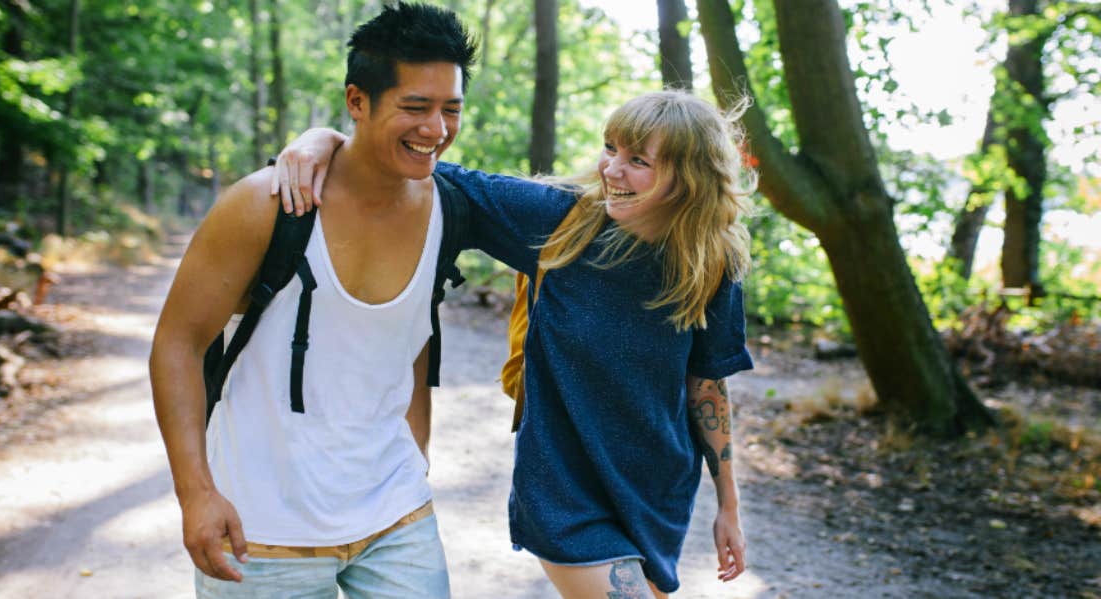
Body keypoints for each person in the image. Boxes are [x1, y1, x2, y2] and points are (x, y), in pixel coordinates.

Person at [274, 90, 754, 597]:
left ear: (690, 177)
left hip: (657, 494)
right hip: (565, 494)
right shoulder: (560, 223)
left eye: (638, 160)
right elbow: (434, 174)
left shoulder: (712, 261)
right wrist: (326, 140)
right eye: (610, 148)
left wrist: (728, 506)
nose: (612, 169)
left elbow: (705, 385)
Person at [148, 3, 477, 597]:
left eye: (450, 108)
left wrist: (416, 456)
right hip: (263, 527)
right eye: (414, 107)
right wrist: (195, 492)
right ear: (357, 101)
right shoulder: (265, 205)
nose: (436, 128)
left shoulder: (450, 207)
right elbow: (177, 342)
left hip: (396, 516)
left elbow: (410, 336)